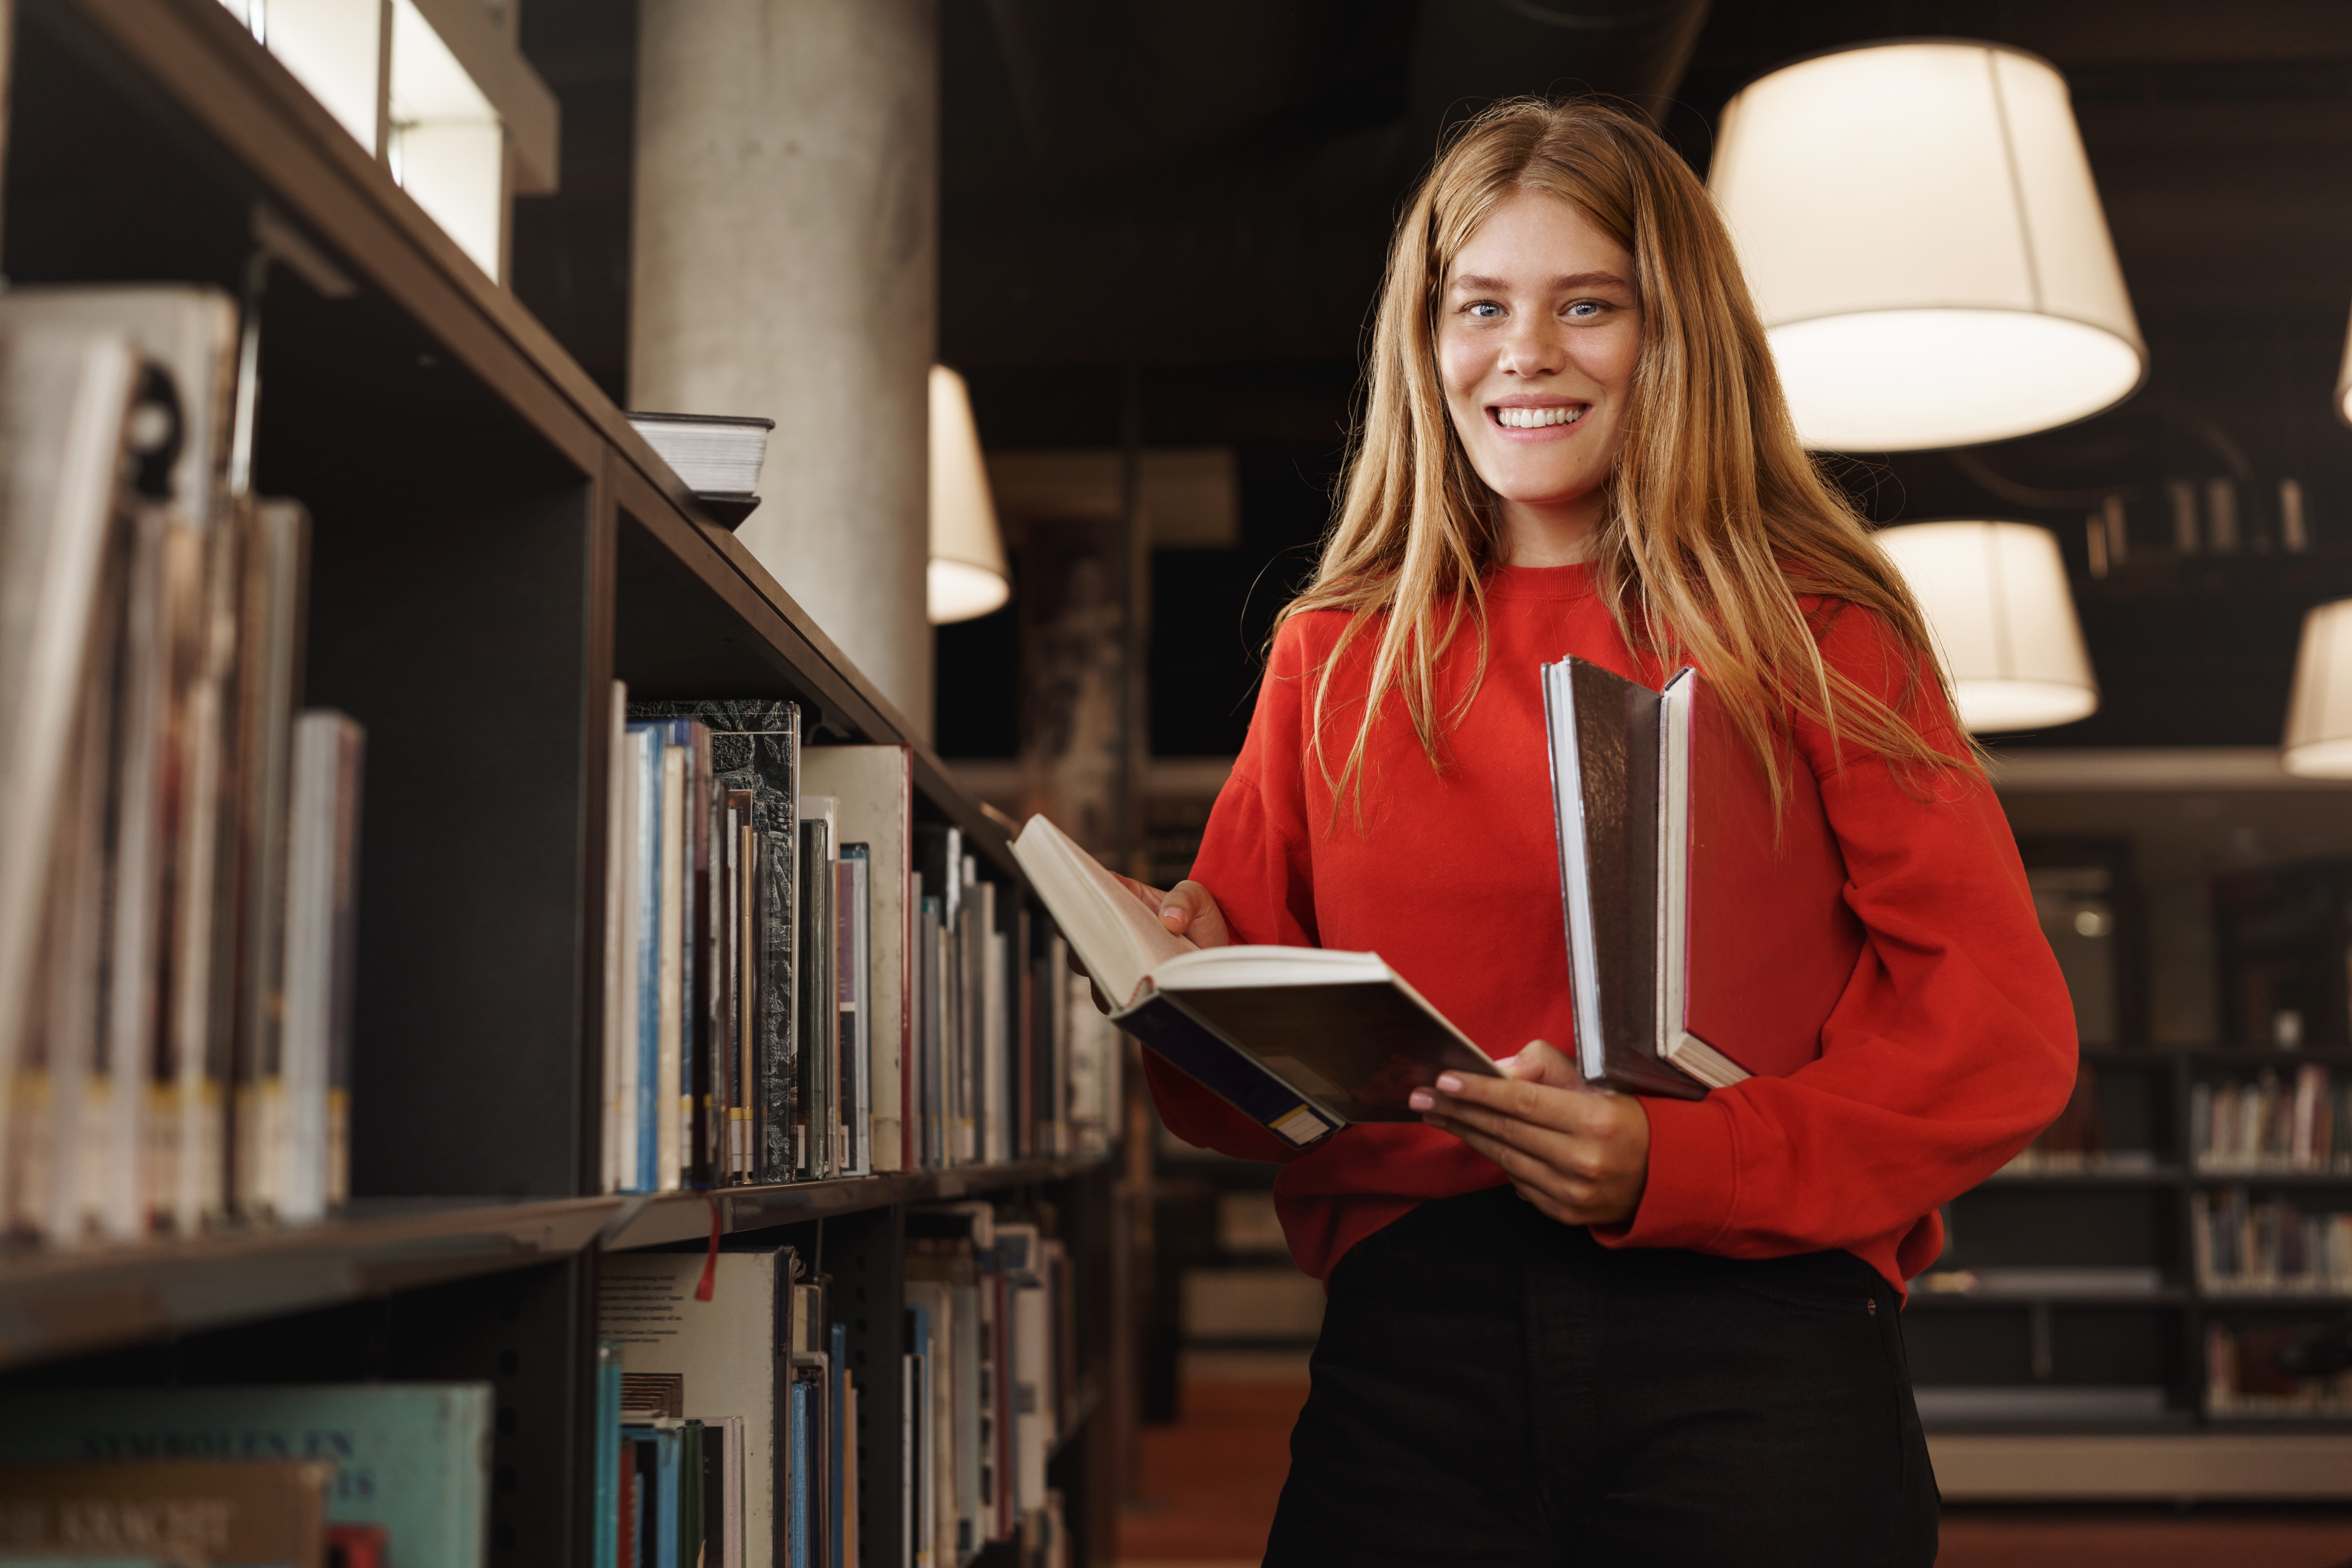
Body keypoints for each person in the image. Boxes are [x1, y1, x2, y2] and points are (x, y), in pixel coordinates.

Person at [1120, 98, 2077, 1566]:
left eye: (1588, 306)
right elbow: (1241, 1105)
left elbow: (1996, 1032)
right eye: (1481, 305)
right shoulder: (1335, 655)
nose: (1525, 353)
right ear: (1424, 342)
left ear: (1673, 333)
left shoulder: (1817, 629)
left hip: (1757, 1343)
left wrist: (1676, 1167)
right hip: (1411, 1358)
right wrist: (1181, 985)